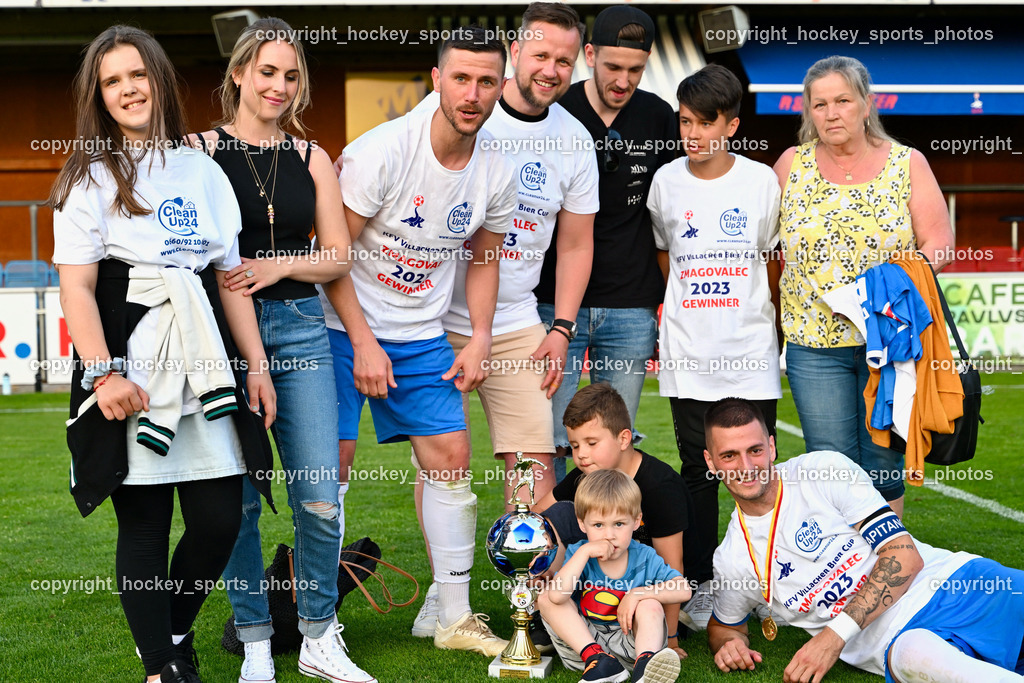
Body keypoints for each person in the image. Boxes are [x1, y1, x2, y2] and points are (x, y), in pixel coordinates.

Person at [50, 25, 276, 683]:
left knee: (218, 520)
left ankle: (171, 633)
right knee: (145, 523)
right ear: (99, 96)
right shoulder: (88, 177)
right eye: (111, 81)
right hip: (132, 358)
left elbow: (230, 279)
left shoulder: (203, 172)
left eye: (136, 74)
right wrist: (104, 375)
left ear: (159, 80)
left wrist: (257, 365)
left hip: (205, 357)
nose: (127, 90)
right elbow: (78, 287)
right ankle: (161, 668)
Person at [320, 27, 517, 657]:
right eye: (461, 78)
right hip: (340, 327)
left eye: (487, 81)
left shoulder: (497, 169)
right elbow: (332, 258)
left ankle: (452, 617)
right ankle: (319, 623)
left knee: (452, 459)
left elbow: (484, 258)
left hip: (420, 332)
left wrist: (480, 335)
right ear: (436, 79)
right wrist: (362, 341)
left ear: (501, 87)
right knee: (331, 468)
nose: (473, 94)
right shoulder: (382, 151)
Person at [407, 1, 599, 640]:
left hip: (518, 321)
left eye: (564, 61)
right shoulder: (454, 113)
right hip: (436, 317)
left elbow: (575, 243)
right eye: (540, 55)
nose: (550, 70)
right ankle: (445, 599)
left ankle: (538, 613)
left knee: (535, 473)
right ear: (515, 51)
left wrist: (561, 327)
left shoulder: (573, 138)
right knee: (442, 466)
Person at [188, 18, 367, 683]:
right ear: (238, 74)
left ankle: (320, 635)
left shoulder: (312, 157)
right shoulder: (196, 151)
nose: (279, 86)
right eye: (267, 72)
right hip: (219, 337)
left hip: (300, 327)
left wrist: (280, 265)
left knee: (319, 496)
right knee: (236, 503)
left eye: (291, 76)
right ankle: (256, 642)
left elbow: (339, 256)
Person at [704, 397, 1024, 683]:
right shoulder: (733, 558)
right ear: (710, 462)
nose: (746, 467)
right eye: (729, 455)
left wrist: (832, 638)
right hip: (903, 640)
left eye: (755, 450)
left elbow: (904, 557)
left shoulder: (822, 470)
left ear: (771, 447)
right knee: (914, 655)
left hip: (959, 583)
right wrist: (730, 646)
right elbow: (724, 627)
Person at [774, 55, 954, 518]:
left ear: (866, 104)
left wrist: (891, 282)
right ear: (809, 111)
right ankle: (843, 558)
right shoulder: (791, 165)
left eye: (842, 101)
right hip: (814, 343)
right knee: (830, 463)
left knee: (882, 462)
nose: (831, 113)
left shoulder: (906, 163)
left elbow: (940, 244)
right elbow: (760, 242)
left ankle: (888, 554)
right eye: (819, 104)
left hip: (891, 341)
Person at [647, 64, 782, 631]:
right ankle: (702, 584)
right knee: (698, 473)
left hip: (749, 350)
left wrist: (753, 314)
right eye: (685, 122)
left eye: (706, 123)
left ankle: (770, 578)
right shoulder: (665, 182)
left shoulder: (761, 181)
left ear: (731, 125)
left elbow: (771, 259)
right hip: (688, 353)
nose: (694, 134)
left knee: (758, 469)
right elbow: (665, 255)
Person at [535, 4, 678, 482]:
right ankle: (548, 530)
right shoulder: (557, 111)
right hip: (553, 302)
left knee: (614, 446)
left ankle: (610, 529)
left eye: (635, 69)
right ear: (590, 55)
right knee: (550, 440)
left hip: (631, 305)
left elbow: (673, 202)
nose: (623, 80)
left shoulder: (658, 116)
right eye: (613, 66)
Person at [534, 383, 691, 659]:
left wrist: (671, 638)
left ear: (624, 439)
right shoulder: (587, 475)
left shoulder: (660, 486)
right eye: (574, 445)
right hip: (597, 583)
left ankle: (654, 641)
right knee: (554, 518)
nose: (581, 454)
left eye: (591, 443)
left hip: (649, 585)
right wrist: (534, 555)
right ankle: (548, 617)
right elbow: (538, 514)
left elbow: (673, 563)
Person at [537, 469, 690, 683]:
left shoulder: (644, 556)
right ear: (582, 524)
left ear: (636, 521)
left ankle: (645, 666)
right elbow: (557, 597)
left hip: (633, 644)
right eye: (598, 525)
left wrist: (638, 594)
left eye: (619, 524)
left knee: (650, 604)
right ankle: (600, 662)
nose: (609, 535)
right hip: (585, 646)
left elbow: (684, 589)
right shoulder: (578, 553)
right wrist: (584, 553)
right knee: (547, 596)